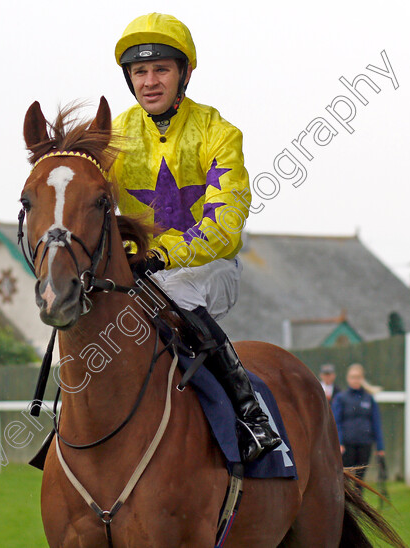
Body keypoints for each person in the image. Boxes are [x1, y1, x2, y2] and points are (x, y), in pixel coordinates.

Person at [109, 13, 280, 463]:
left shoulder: (219, 133)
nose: (149, 81)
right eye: (139, 72)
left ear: (184, 73)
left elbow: (225, 224)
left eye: (161, 69)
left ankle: (250, 412)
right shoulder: (114, 137)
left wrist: (161, 255)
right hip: (144, 276)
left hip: (210, 269)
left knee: (175, 287)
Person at [331, 363, 385, 480]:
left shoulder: (368, 398)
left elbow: (376, 422)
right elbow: (336, 422)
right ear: (348, 378)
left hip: (365, 444)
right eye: (353, 377)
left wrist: (380, 447)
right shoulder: (341, 398)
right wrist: (339, 443)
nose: (355, 380)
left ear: (362, 379)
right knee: (346, 478)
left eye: (358, 377)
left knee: (360, 478)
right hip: (347, 445)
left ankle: (359, 498)